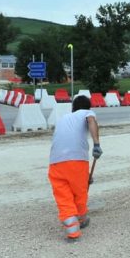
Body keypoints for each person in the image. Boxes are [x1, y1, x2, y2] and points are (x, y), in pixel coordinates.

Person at [48, 95, 102, 241]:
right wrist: (96, 144)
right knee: (79, 191)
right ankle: (82, 219)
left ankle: (73, 231)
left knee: (63, 195)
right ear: (88, 107)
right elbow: (91, 121)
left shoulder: (63, 119)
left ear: (73, 108)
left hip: (55, 162)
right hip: (76, 160)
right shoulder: (87, 113)